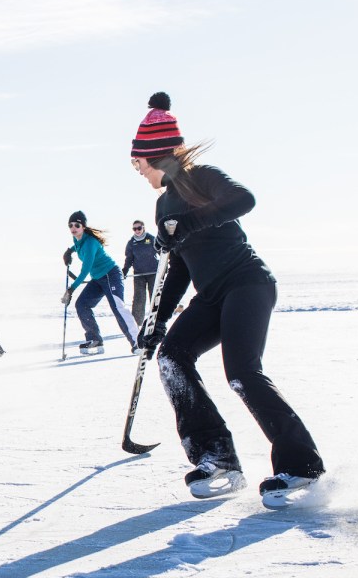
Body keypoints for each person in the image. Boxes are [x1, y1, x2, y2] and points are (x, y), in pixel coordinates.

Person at [129, 92, 325, 506]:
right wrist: (157, 320)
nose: (137, 171)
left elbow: (244, 200)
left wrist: (187, 222)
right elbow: (178, 269)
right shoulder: (163, 201)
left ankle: (301, 466)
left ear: (154, 157)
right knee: (171, 355)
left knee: (242, 372)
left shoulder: (201, 177)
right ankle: (216, 457)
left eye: (137, 163)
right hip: (212, 294)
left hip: (247, 283)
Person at [61, 211, 141, 355]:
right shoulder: (78, 240)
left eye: (77, 225)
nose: (73, 228)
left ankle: (137, 342)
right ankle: (95, 339)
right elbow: (77, 246)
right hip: (98, 279)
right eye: (70, 225)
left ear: (83, 226)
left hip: (111, 275)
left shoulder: (90, 243)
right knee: (82, 304)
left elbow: (85, 271)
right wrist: (69, 251)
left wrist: (71, 289)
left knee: (118, 307)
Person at [122, 220, 159, 325]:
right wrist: (125, 270)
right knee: (139, 298)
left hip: (153, 273)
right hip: (139, 274)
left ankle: (156, 321)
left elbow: (161, 252)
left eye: (139, 228)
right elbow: (129, 259)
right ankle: (137, 323)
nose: (137, 230)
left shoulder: (151, 239)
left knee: (154, 297)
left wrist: (164, 266)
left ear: (143, 228)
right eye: (134, 229)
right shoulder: (131, 243)